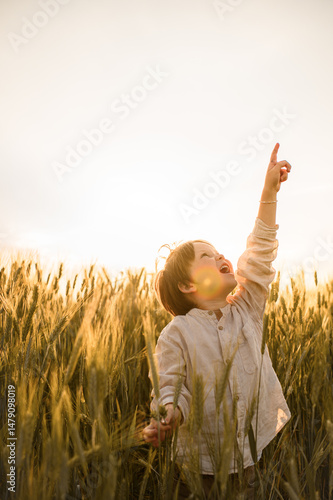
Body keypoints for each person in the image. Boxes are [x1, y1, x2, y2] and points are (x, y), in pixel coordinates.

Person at [143, 143, 292, 499]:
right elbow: (171, 382)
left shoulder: (246, 308)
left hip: (250, 453)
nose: (221, 255)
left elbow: (259, 254)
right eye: (207, 257)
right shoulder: (177, 333)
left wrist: (268, 192)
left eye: (218, 250)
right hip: (201, 465)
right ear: (188, 285)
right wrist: (169, 414)